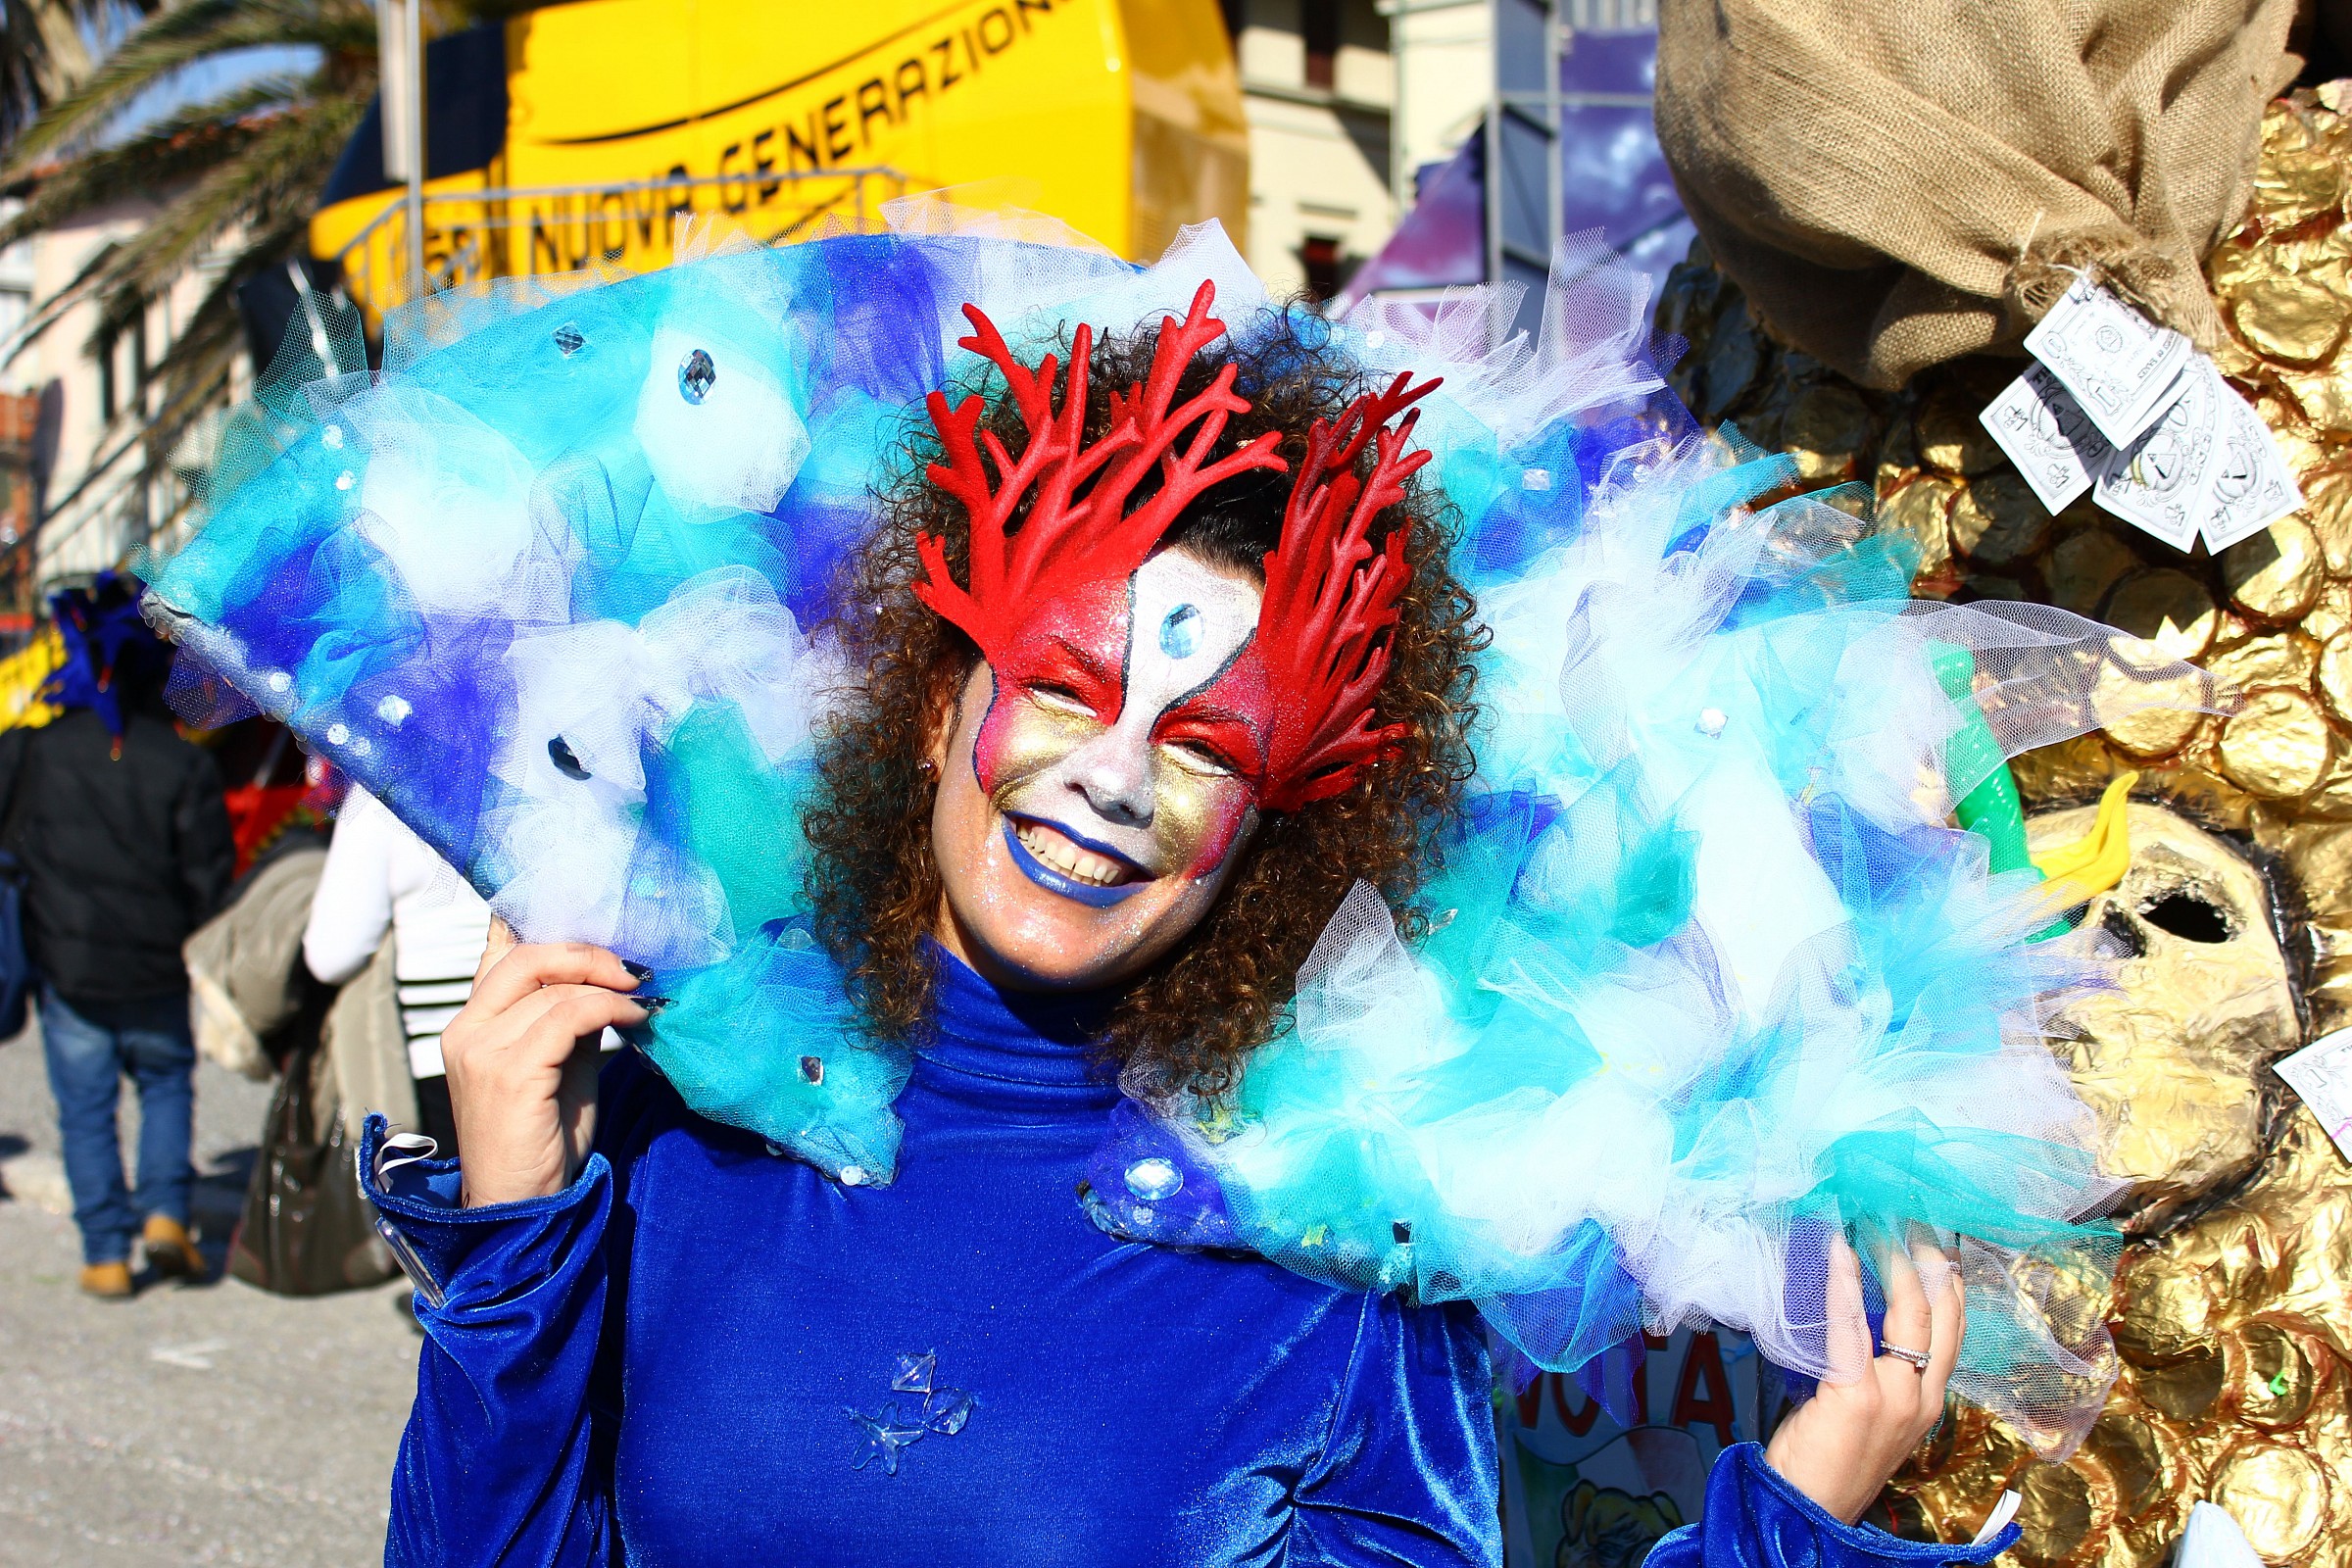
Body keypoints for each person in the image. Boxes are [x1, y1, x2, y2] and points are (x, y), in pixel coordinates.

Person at [144, 217, 2210, 1563]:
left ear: (1278, 822)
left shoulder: (1311, 1256)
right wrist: (515, 1242)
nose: (1117, 773)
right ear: (936, 693)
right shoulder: (712, 1126)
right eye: (1065, 683)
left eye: (1210, 747)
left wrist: (1791, 1517)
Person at [0, 574, 234, 1298]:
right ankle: (166, 1214)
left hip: (66, 963)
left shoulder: (34, 752)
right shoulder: (184, 762)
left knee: (85, 1109)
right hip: (157, 963)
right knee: (166, 1087)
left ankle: (105, 1250)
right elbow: (210, 877)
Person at [302, 783, 492, 1155]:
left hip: (442, 1049)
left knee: (474, 1205)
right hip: (593, 1034)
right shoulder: (575, 765)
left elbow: (333, 956)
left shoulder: (385, 783)